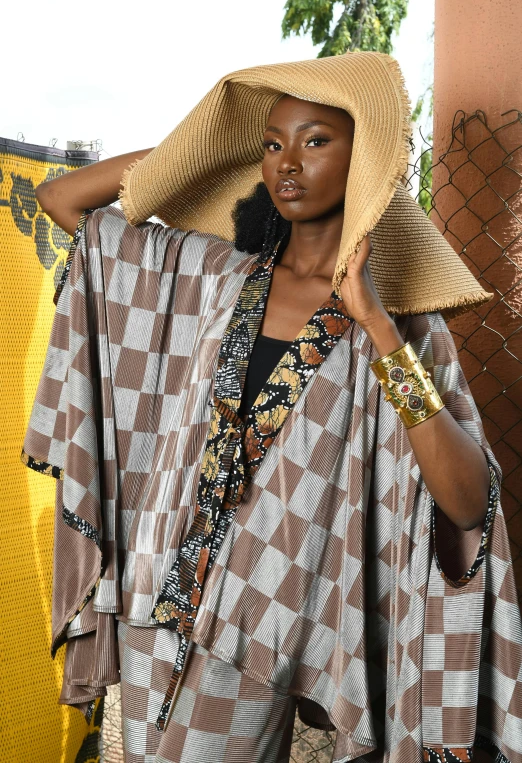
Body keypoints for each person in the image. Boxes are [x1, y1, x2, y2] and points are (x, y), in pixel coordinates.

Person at [21, 53, 522, 763]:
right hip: (153, 594)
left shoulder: (400, 327)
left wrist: (377, 326)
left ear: (365, 160)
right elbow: (66, 202)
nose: (288, 161)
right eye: (272, 142)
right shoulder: (214, 275)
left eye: (316, 140)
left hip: (262, 619)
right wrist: (211, 145)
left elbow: (469, 502)